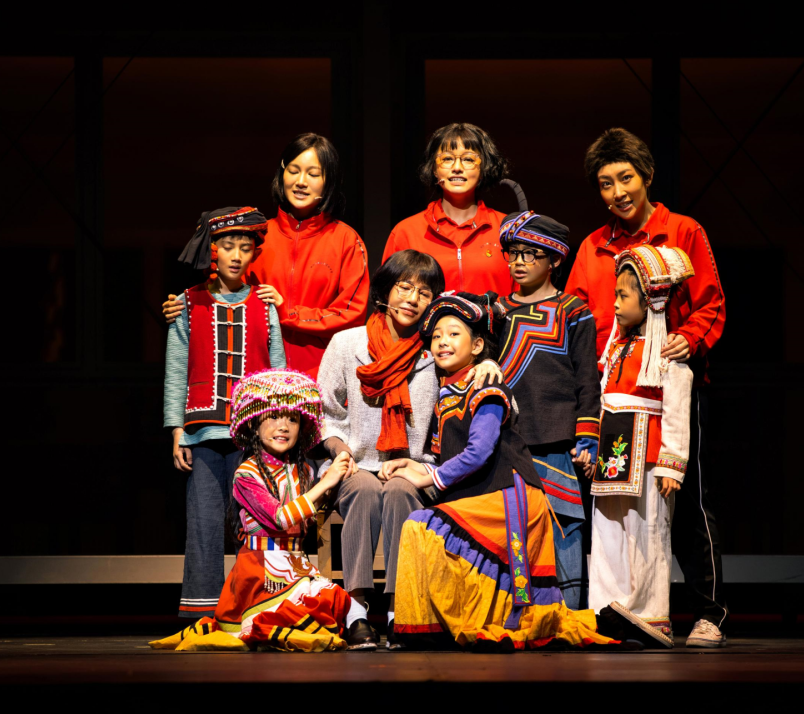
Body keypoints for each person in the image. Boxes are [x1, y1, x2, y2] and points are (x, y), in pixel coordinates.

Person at [383, 292, 668, 651]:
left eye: (454, 334)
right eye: (437, 335)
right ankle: (438, 626)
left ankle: (426, 629)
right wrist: (414, 465)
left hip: (508, 497)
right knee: (427, 532)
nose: (443, 341)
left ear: (477, 346)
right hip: (482, 496)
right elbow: (449, 459)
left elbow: (479, 452)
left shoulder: (485, 386)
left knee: (421, 525)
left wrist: (427, 477)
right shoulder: (447, 393)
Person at [565, 127, 729, 647]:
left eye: (626, 178)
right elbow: (576, 318)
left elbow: (712, 303)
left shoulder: (682, 231)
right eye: (606, 183)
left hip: (669, 386)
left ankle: (709, 612)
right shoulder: (593, 246)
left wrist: (688, 338)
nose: (617, 192)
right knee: (616, 505)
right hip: (612, 392)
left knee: (684, 498)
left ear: (648, 176)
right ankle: (624, 609)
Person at [315, 250, 503, 650]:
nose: (412, 299)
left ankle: (402, 608)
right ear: (386, 291)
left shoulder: (433, 351)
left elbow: (470, 372)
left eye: (424, 292)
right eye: (404, 287)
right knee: (364, 489)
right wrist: (338, 450)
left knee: (401, 490)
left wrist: (490, 364)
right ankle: (356, 610)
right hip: (355, 464)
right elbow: (324, 413)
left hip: (415, 468)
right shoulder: (346, 344)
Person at [150, 369, 355, 652]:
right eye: (273, 417)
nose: (283, 426)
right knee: (286, 619)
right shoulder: (246, 475)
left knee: (337, 600)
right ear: (255, 426)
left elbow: (309, 512)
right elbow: (281, 518)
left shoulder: (303, 471)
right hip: (260, 570)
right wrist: (326, 483)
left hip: (295, 563)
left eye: (292, 419)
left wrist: (335, 475)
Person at [163, 206, 285, 619]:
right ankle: (202, 611)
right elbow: (177, 367)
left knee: (252, 522)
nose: (236, 255)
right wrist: (176, 430)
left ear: (254, 254)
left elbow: (278, 371)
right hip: (202, 433)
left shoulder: (264, 305)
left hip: (251, 435)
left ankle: (253, 607)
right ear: (213, 251)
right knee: (204, 521)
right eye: (228, 246)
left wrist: (277, 430)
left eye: (244, 248)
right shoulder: (188, 303)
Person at [164, 133, 369, 378]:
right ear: (282, 172)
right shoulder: (256, 238)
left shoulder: (347, 240)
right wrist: (186, 307)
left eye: (313, 174)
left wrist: (288, 312)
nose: (301, 181)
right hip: (257, 376)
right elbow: (223, 296)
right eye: (293, 170)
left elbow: (351, 315)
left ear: (329, 181)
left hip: (322, 376)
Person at [588, 245, 695, 648]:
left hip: (648, 458)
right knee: (608, 532)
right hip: (613, 455)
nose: (615, 304)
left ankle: (650, 613)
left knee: (647, 534)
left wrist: (671, 464)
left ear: (650, 299)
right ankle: (608, 608)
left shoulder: (666, 352)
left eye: (623, 295)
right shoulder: (617, 347)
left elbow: (676, 409)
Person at [495, 210, 600, 610]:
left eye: (530, 254)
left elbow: (587, 378)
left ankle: (568, 613)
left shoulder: (573, 310)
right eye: (512, 253)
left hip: (557, 439)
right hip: (507, 440)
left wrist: (587, 436)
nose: (518, 262)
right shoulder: (496, 312)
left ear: (554, 259)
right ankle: (519, 612)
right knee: (513, 528)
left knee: (564, 524)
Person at [382, 123, 514, 295]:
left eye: (468, 159)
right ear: (434, 169)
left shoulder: (507, 230)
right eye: (447, 159)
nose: (457, 168)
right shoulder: (406, 232)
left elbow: (527, 298)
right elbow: (389, 299)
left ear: (483, 168)